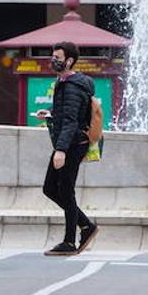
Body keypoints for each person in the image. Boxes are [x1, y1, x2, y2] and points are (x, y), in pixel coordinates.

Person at [39, 41, 100, 256]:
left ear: (69, 61)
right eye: (53, 56)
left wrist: (61, 150)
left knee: (65, 190)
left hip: (73, 144)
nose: (53, 60)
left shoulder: (73, 85)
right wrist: (49, 112)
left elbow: (72, 121)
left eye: (57, 57)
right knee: (51, 188)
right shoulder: (64, 82)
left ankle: (70, 241)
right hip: (68, 142)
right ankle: (86, 226)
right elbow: (64, 111)